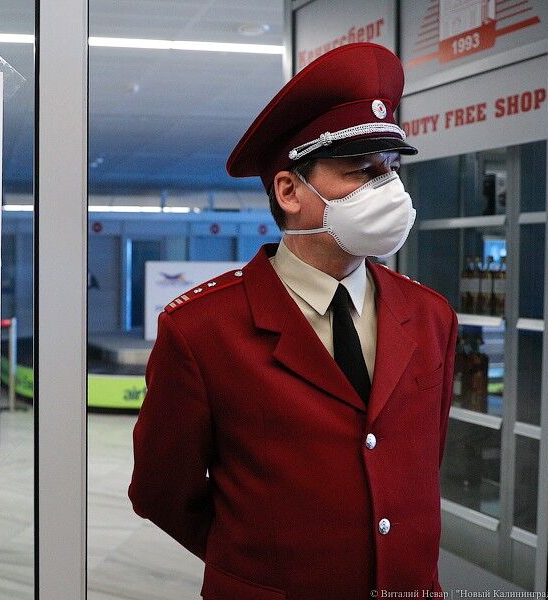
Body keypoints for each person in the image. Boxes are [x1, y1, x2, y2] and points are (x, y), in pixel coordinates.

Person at [128, 43, 458, 600]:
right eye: (361, 171)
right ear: (289, 191)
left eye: (390, 169)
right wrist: (256, 564)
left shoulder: (430, 316)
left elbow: (418, 464)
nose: (388, 190)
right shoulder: (203, 330)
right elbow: (161, 491)